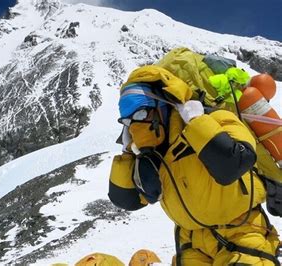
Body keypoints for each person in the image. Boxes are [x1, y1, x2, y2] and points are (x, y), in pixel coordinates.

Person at [108, 65, 280, 265]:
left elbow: (234, 164)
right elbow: (126, 200)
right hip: (190, 243)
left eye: (140, 114)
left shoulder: (216, 118)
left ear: (162, 106)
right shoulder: (149, 155)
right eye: (128, 120)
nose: (136, 125)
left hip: (242, 232)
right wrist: (127, 152)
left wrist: (197, 122)